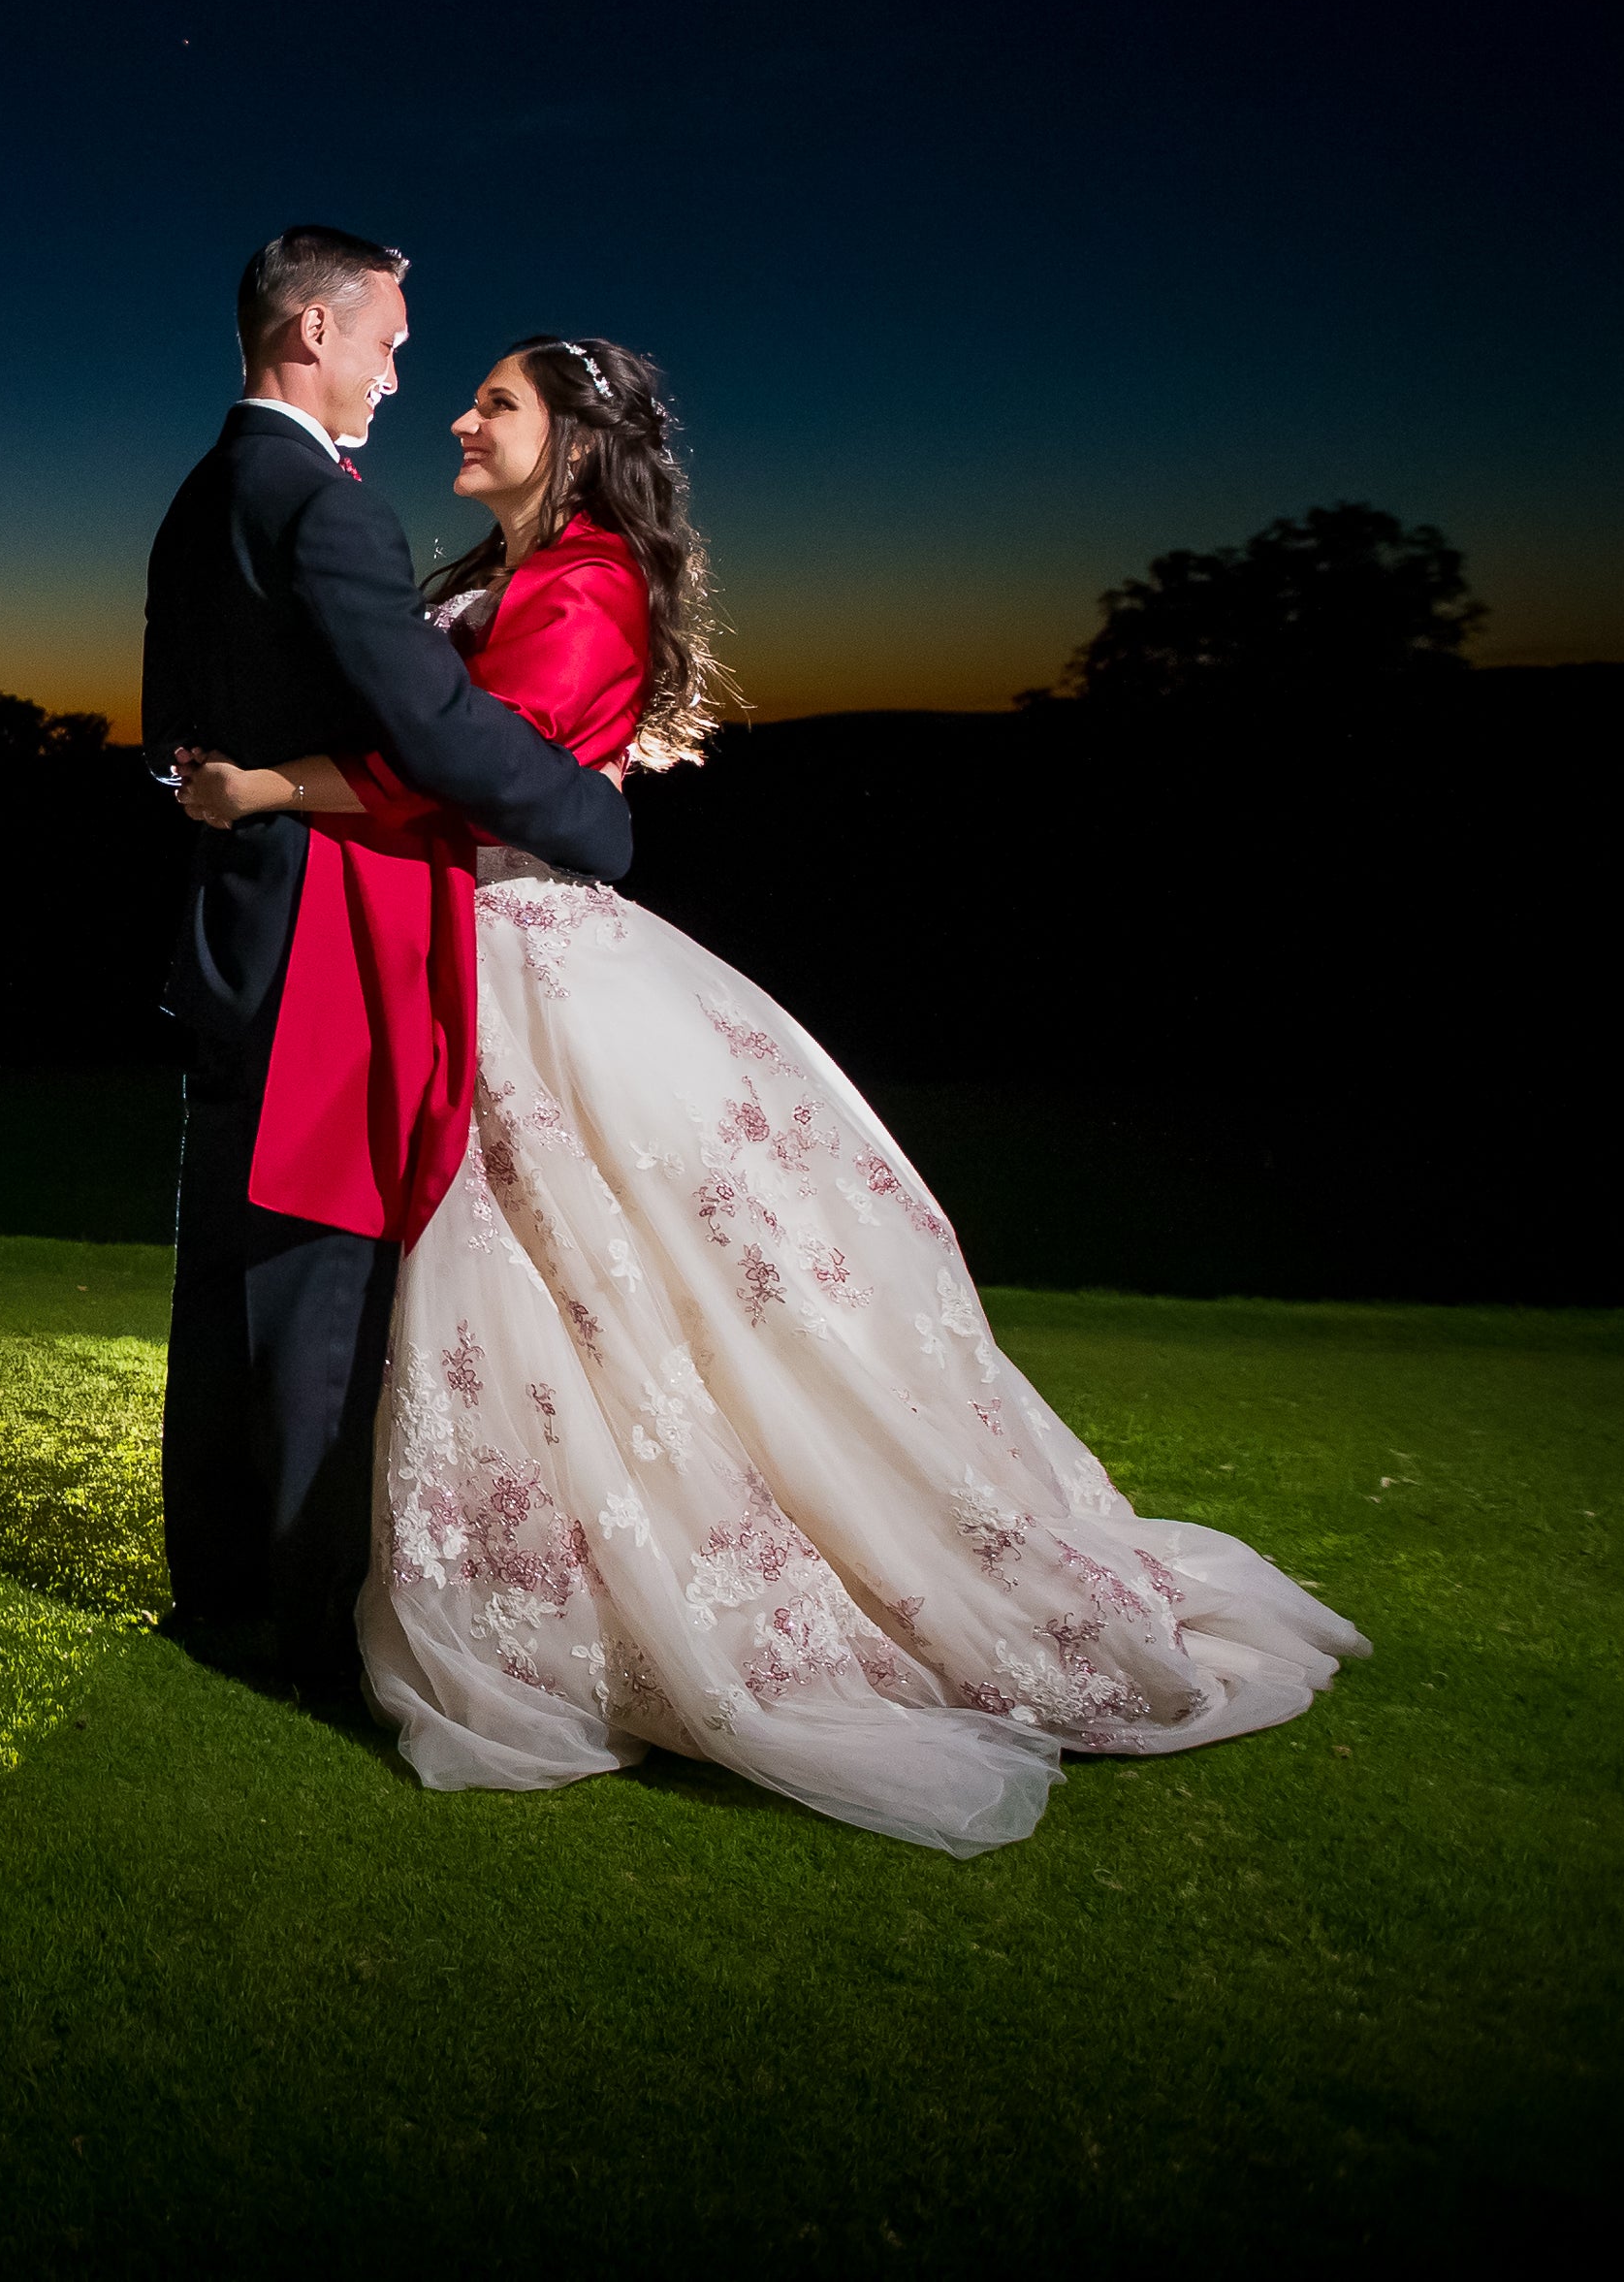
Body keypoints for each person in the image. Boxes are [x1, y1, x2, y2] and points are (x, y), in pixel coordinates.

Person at [183, 336, 1365, 1852]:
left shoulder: (590, 576)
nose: (460, 419)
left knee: (617, 1274)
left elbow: (474, 761)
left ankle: (689, 1603)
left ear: (573, 441)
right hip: (454, 947)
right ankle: (525, 1584)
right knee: (539, 1289)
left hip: (531, 956)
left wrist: (275, 787)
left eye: (494, 403)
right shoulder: (507, 564)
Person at [140, 228, 633, 1691]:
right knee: (312, 1279)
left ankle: (219, 1582)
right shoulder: (323, 503)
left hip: (235, 919)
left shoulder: (203, 491)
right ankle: (308, 1628)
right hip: (323, 936)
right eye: (388, 342)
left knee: (225, 1265)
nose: (397, 374)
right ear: (309, 329)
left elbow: (185, 715)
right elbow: (425, 724)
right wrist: (588, 819)